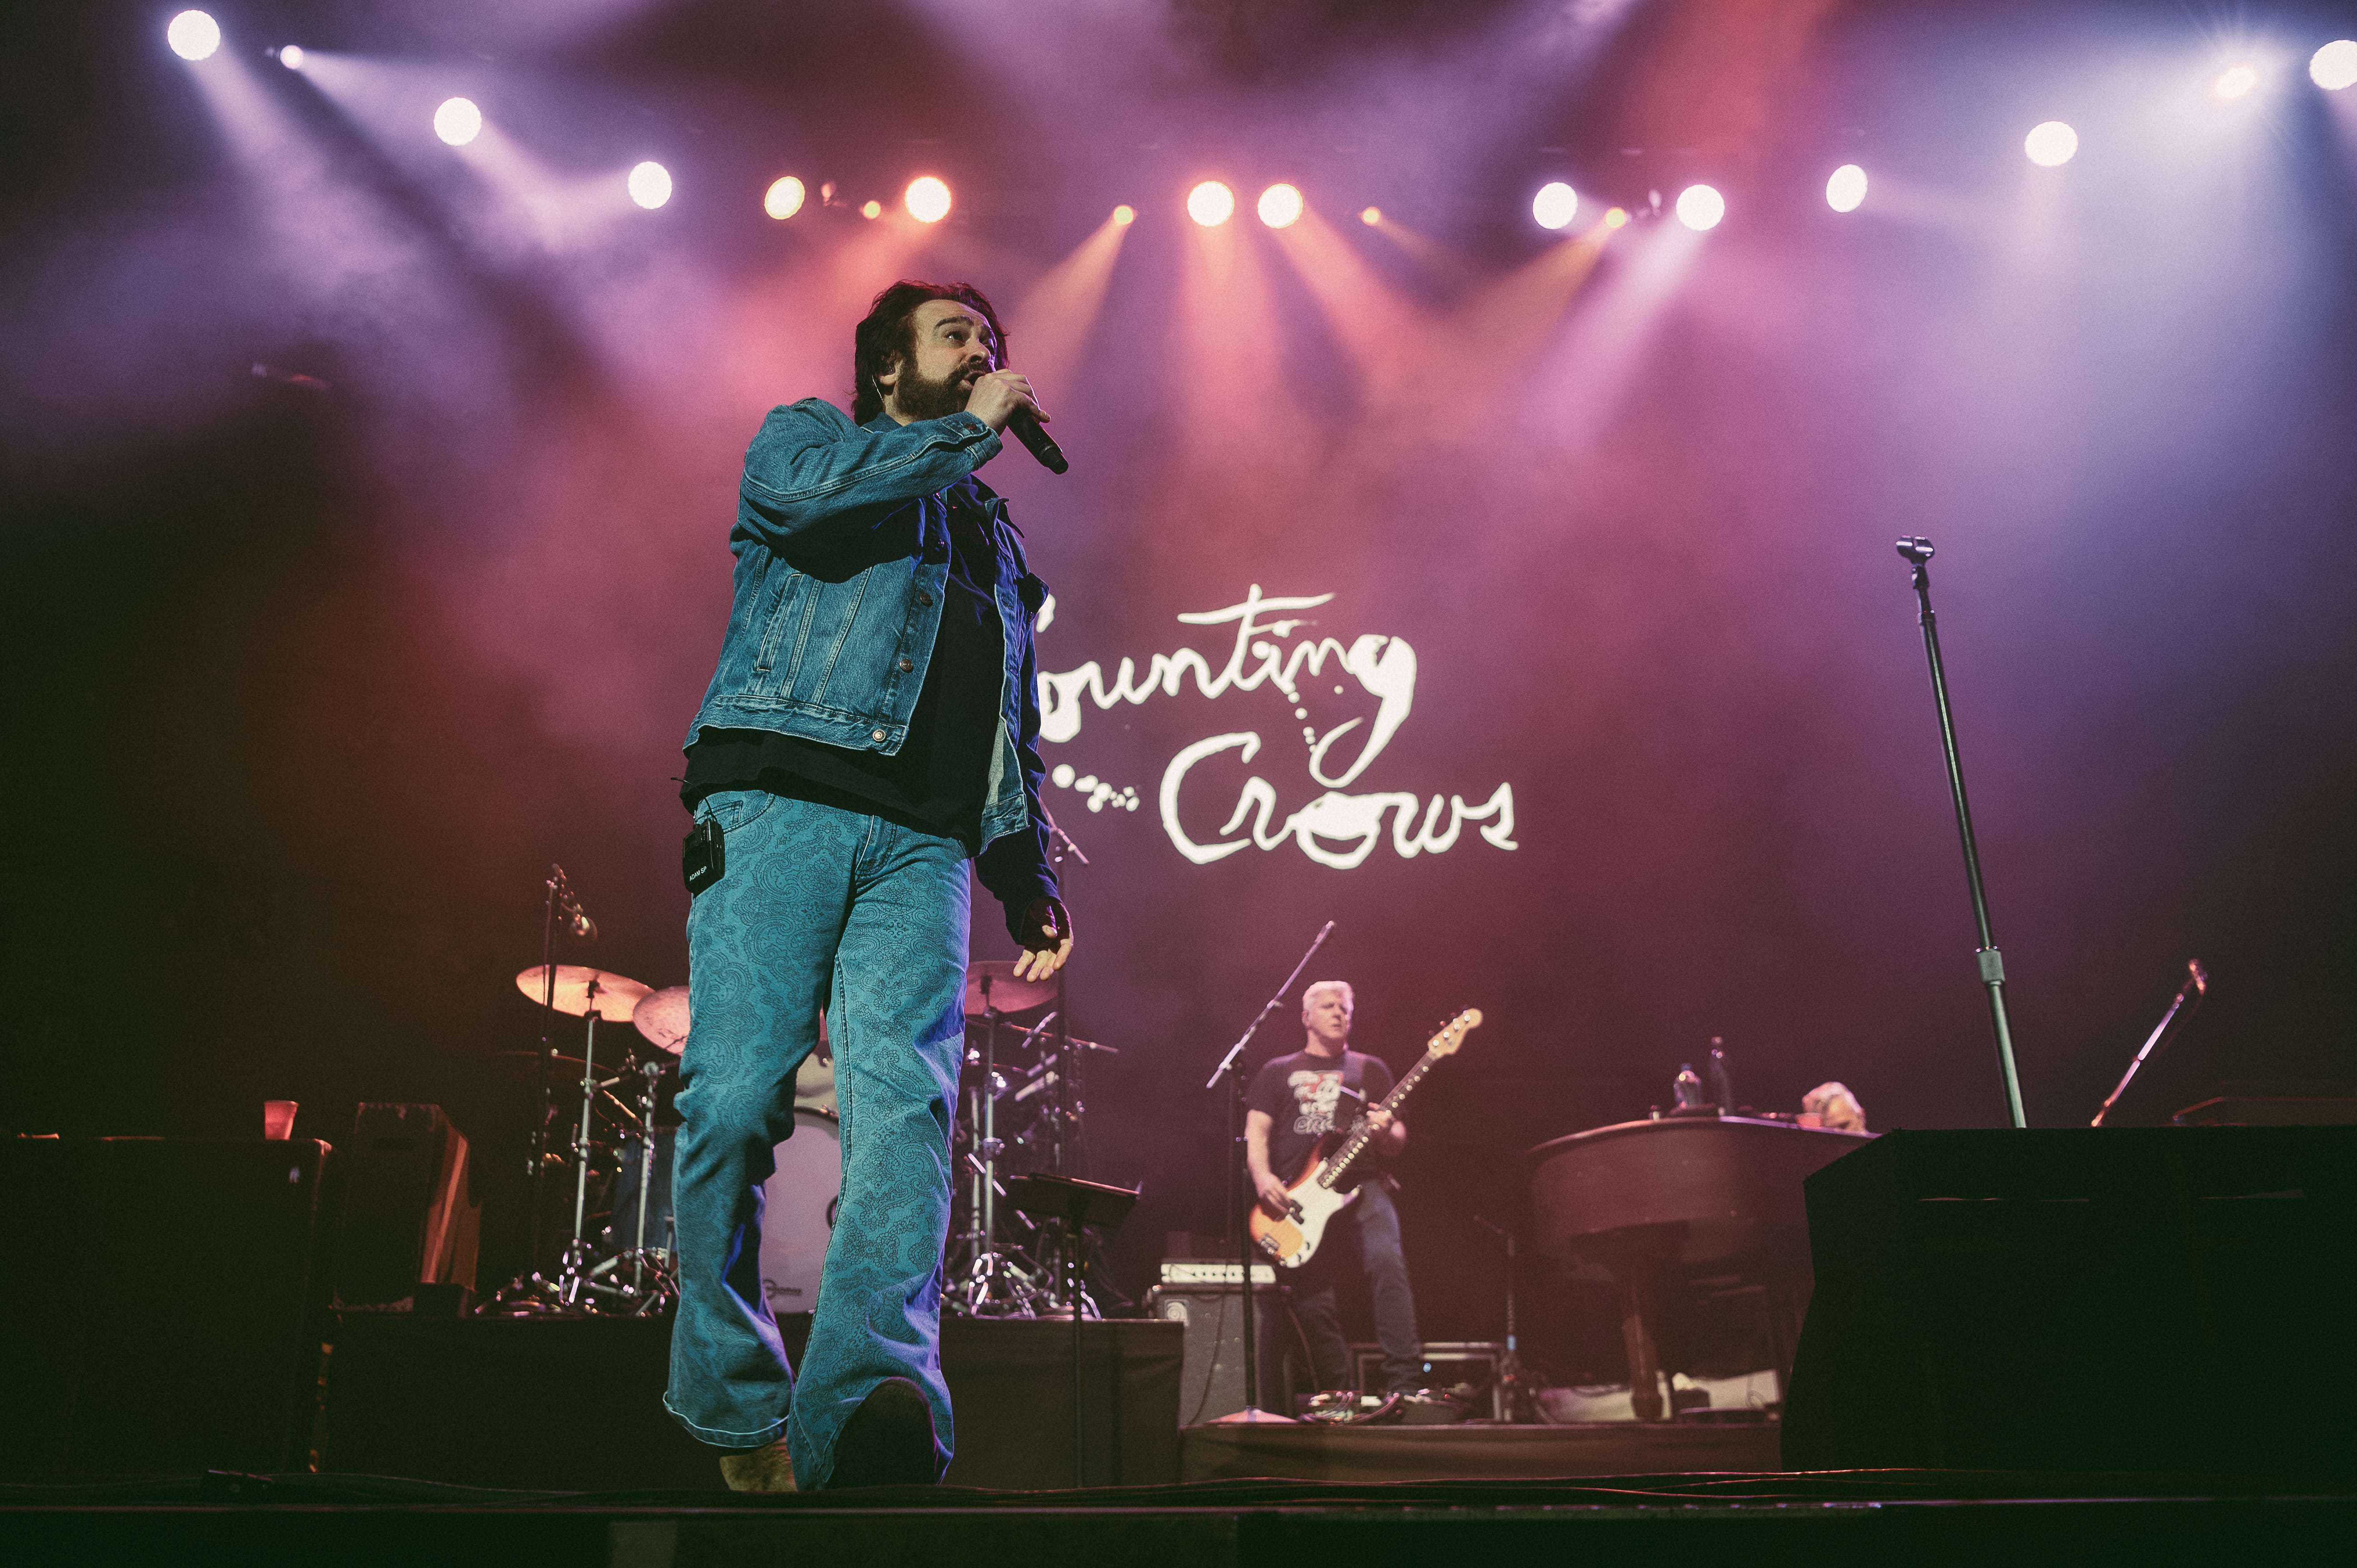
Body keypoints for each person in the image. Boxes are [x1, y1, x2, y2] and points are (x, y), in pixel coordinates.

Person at [664, 281, 1073, 1492]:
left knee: (906, 1116)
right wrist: (965, 433)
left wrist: (1023, 868)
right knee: (736, 1099)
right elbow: (803, 505)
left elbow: (1008, 717)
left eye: (990, 340)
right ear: (891, 367)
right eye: (956, 335)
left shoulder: (992, 532)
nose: (982, 350)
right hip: (781, 796)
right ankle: (734, 1402)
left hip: (924, 843)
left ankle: (862, 1401)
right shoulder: (810, 436)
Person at [1245, 981, 1423, 1396]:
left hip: (1362, 1184)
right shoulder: (1278, 1071)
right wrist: (1263, 1178)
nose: (1339, 1013)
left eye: (1345, 1008)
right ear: (1306, 1017)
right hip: (1300, 1197)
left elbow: (1397, 1141)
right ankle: (1337, 1392)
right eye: (1328, 1006)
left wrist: (1384, 1131)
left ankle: (1406, 1383)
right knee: (1312, 1296)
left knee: (1388, 1264)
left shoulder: (1369, 1069)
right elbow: (1256, 1133)